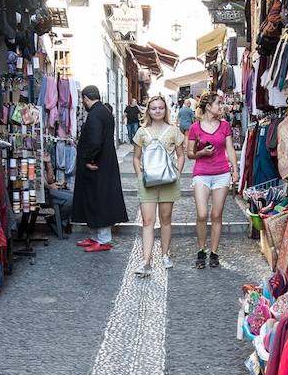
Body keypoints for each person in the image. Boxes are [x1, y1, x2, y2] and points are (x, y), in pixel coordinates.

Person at [129, 94, 186, 276]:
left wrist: (178, 173)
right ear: (148, 111)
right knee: (147, 221)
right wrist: (140, 176)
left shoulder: (173, 130)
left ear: (165, 109)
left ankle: (165, 254)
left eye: (161, 108)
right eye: (154, 108)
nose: (157, 111)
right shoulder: (142, 132)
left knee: (166, 218)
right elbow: (136, 157)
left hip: (168, 180)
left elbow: (181, 155)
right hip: (147, 182)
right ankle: (146, 261)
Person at [72, 85, 127, 252]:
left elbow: (95, 141)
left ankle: (103, 239)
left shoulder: (95, 114)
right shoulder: (104, 111)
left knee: (98, 199)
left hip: (97, 164)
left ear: (85, 98)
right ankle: (96, 237)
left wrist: (89, 158)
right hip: (104, 162)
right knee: (94, 198)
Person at [187, 91, 238, 269]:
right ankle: (201, 249)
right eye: (218, 103)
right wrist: (202, 152)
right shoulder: (195, 128)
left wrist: (235, 170)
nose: (221, 106)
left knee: (216, 214)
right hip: (201, 173)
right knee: (202, 214)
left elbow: (230, 148)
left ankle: (214, 252)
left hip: (221, 173)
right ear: (209, 106)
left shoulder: (225, 126)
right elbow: (190, 153)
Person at [44, 153, 74, 228]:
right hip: (45, 193)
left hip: (50, 189)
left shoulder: (42, 160)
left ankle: (58, 220)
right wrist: (49, 186)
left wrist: (48, 163)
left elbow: (50, 180)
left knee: (75, 196)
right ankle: (57, 220)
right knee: (72, 199)